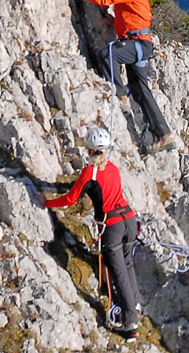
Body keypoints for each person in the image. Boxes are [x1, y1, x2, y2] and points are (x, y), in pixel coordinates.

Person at [69, 0, 177, 151]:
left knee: (107, 54)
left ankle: (120, 95)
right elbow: (134, 13)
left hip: (137, 43)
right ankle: (164, 135)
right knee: (141, 90)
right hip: (139, 43)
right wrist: (117, 22)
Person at [40, 126, 145, 337]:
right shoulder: (113, 168)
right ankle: (135, 305)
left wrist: (48, 203)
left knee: (118, 272)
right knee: (127, 264)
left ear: (88, 150)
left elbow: (71, 199)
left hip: (112, 226)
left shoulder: (90, 173)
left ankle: (130, 322)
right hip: (129, 220)